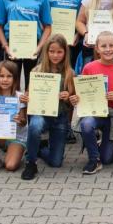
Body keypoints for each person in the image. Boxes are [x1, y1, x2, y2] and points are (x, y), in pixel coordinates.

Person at [71, 31, 113, 174]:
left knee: (107, 159)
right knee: (86, 124)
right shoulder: (89, 68)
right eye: (103, 46)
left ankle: (101, 145)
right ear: (97, 49)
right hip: (95, 113)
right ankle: (94, 160)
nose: (108, 49)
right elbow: (82, 93)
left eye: (112, 45)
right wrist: (76, 98)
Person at [21, 34, 76, 180]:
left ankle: (38, 148)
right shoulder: (37, 71)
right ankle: (30, 162)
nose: (55, 55)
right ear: (46, 52)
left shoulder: (70, 73)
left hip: (60, 118)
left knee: (56, 162)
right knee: (35, 125)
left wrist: (68, 97)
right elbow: (28, 94)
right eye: (52, 51)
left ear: (65, 52)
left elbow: (73, 102)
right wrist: (25, 98)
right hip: (41, 114)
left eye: (59, 52)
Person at [0, 60, 27, 172]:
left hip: (17, 137)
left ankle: (19, 152)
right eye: (1, 76)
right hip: (0, 136)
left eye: (9, 76)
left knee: (10, 166)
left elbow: (24, 122)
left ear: (15, 79)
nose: (5, 80)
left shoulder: (20, 97)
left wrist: (19, 120)